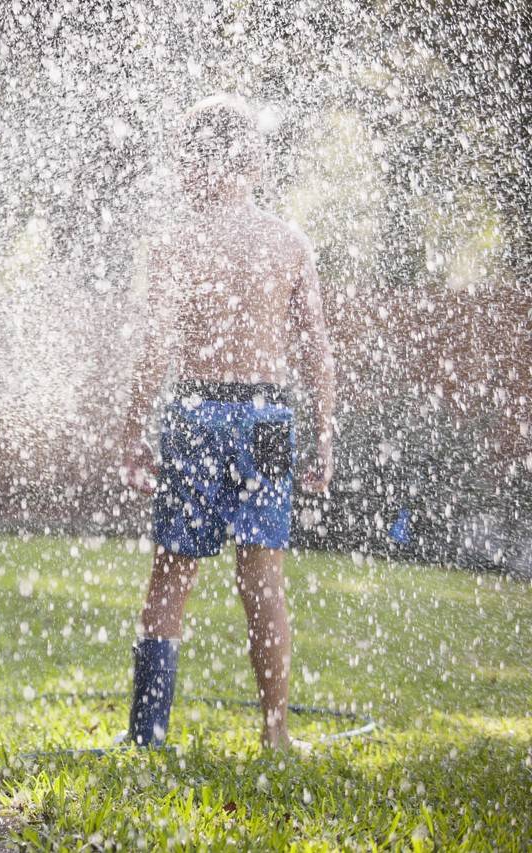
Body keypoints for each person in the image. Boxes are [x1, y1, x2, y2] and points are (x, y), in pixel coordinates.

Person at [118, 95, 336, 751]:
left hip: (195, 414)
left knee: (170, 577)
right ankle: (275, 731)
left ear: (195, 161)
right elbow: (314, 348)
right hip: (268, 417)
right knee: (262, 579)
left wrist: (133, 424)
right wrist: (322, 431)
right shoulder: (288, 242)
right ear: (253, 160)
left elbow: (156, 346)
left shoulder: (178, 242)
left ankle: (148, 733)